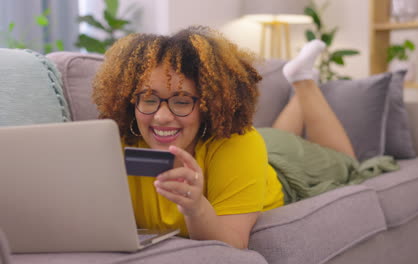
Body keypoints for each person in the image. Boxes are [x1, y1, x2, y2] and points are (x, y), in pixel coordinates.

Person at [92, 26, 356, 249]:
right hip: (256, 151)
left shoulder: (240, 144)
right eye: (149, 99)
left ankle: (304, 82)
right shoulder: (118, 141)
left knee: (348, 162)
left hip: (284, 170)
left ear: (209, 105)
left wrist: (196, 208)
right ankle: (299, 81)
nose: (161, 117)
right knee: (271, 138)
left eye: (182, 101)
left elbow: (232, 243)